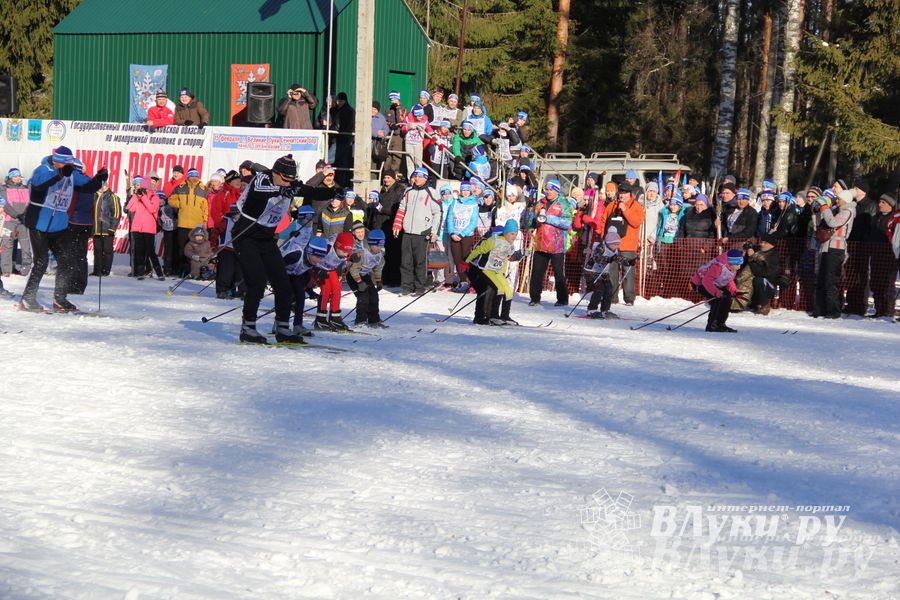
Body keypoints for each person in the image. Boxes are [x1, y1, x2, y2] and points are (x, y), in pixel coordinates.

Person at [232, 154, 336, 344]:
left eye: (290, 181)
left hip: (266, 239)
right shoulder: (262, 179)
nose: (288, 184)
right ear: (276, 173)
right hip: (246, 236)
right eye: (285, 180)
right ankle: (248, 328)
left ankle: (282, 327)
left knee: (283, 283)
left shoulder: (288, 185)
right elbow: (260, 192)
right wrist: (281, 190)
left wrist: (333, 192)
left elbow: (311, 192)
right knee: (257, 282)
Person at [20, 147, 108, 312]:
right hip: (39, 222)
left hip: (59, 225)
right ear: (56, 161)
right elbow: (38, 184)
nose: (70, 167)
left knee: (67, 260)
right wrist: (59, 174)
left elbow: (88, 186)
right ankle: (28, 298)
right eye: (66, 164)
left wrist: (99, 178)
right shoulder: (43, 169)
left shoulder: (72, 174)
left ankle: (60, 299)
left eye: (70, 164)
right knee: (41, 262)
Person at [466, 218, 527, 325]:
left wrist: (521, 253)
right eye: (512, 234)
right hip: (481, 269)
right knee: (491, 290)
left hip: (496, 271)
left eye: (515, 234)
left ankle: (503, 316)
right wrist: (467, 262)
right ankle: (487, 316)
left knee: (505, 291)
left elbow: (509, 256)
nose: (514, 237)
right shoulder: (492, 240)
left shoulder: (508, 243)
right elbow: (478, 250)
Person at [392, 167, 442, 296]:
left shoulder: (432, 192)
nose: (417, 179)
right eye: (415, 176)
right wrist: (397, 225)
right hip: (408, 231)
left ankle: (420, 287)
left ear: (425, 178)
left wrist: (434, 231)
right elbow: (402, 208)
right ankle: (407, 287)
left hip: (423, 232)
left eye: (419, 176)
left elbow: (438, 212)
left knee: (420, 262)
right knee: (405, 261)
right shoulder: (408, 191)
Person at [526, 179, 573, 307]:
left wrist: (549, 219)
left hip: (556, 244)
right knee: (537, 272)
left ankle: (562, 299)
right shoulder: (540, 203)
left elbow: (567, 222)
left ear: (557, 191)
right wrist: (532, 225)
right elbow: (533, 218)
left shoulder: (564, 204)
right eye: (547, 189)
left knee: (559, 273)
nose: (548, 192)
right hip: (541, 243)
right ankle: (534, 298)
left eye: (551, 190)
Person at [598, 182, 645, 305]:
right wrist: (604, 237)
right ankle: (612, 297)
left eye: (624, 193)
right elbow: (604, 220)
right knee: (612, 272)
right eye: (620, 193)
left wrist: (625, 210)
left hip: (628, 246)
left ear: (630, 194)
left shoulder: (636, 206)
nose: (622, 196)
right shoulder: (612, 205)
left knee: (628, 272)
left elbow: (636, 222)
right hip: (612, 245)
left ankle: (629, 299)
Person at [812, 189, 857, 319]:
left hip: (836, 249)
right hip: (826, 247)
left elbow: (833, 222)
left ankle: (834, 311)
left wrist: (825, 207)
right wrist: (819, 209)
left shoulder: (847, 212)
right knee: (821, 279)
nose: (836, 200)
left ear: (845, 200)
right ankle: (819, 309)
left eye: (839, 198)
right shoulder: (837, 209)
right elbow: (824, 221)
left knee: (831, 280)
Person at [280, 235, 328, 335]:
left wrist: (310, 291)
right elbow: (277, 265)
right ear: (309, 252)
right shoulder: (296, 255)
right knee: (286, 297)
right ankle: (279, 325)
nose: (318, 260)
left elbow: (305, 277)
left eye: (321, 257)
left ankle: (298, 325)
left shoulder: (310, 261)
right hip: (281, 273)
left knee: (300, 295)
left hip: (294, 274)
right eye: (317, 257)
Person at [66, 159, 100, 293]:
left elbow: (71, 203)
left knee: (71, 254)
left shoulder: (74, 182)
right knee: (81, 255)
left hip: (73, 221)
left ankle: (72, 284)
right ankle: (80, 285)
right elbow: (94, 206)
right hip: (87, 223)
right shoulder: (90, 182)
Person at [691, 248, 745, 332]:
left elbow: (728, 280)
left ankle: (721, 324)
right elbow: (706, 281)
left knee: (727, 297)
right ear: (731, 262)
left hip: (714, 283)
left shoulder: (732, 269)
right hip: (699, 283)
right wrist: (716, 292)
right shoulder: (718, 266)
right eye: (738, 264)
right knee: (718, 298)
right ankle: (712, 325)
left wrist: (735, 291)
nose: (739, 267)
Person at [167, 168, 209, 276]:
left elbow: (206, 207)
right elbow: (170, 200)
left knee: (196, 249)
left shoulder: (203, 189)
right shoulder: (180, 187)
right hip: (183, 224)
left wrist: (205, 221)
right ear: (188, 176)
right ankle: (183, 270)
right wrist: (179, 204)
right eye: (192, 176)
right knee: (183, 248)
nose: (194, 178)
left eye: (196, 176)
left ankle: (194, 270)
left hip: (197, 225)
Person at [313, 231, 354, 331]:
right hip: (318, 269)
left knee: (337, 289)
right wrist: (317, 271)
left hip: (330, 269)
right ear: (337, 245)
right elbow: (311, 257)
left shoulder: (347, 251)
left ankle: (334, 317)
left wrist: (352, 259)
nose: (345, 254)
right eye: (343, 251)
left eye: (347, 252)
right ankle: (320, 318)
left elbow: (346, 262)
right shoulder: (327, 248)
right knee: (326, 290)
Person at [444, 181, 479, 292]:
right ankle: (462, 281)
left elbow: (473, 222)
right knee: (457, 259)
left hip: (466, 235)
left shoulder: (474, 204)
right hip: (454, 234)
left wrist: (462, 234)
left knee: (466, 259)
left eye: (467, 190)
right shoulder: (454, 202)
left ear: (470, 191)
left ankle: (471, 281)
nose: (464, 192)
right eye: (463, 190)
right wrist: (452, 232)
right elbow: (449, 218)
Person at [347, 227, 386, 327]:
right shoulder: (362, 252)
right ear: (371, 243)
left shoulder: (379, 254)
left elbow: (378, 268)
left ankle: (374, 320)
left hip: (364, 275)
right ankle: (360, 321)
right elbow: (353, 269)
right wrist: (359, 282)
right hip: (353, 276)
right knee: (363, 296)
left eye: (381, 245)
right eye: (377, 245)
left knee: (374, 296)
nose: (379, 248)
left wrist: (378, 281)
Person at [126, 178, 162, 280]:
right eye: (142, 188)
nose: (143, 190)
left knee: (150, 251)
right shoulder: (138, 197)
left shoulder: (155, 197)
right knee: (139, 251)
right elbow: (130, 208)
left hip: (149, 228)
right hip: (137, 227)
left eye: (144, 188)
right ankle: (140, 273)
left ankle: (159, 272)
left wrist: (144, 198)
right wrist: (135, 196)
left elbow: (152, 209)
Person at [870, 193, 898, 318]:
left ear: (890, 205)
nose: (880, 204)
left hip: (890, 256)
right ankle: (878, 309)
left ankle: (888, 310)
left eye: (883, 202)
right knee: (876, 283)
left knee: (888, 284)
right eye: (879, 202)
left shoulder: (895, 219)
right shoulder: (876, 218)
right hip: (876, 255)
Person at [583, 229, 621, 319]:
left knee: (609, 289)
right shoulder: (601, 247)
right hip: (591, 271)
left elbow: (618, 258)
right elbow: (597, 258)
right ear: (609, 243)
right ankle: (591, 310)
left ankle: (605, 310)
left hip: (603, 272)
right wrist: (608, 259)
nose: (616, 246)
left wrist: (629, 261)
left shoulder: (614, 250)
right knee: (599, 289)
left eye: (617, 244)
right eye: (614, 244)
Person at [0, 168, 32, 276]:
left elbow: (29, 203)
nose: (18, 178)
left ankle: (25, 269)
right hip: (10, 221)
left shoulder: (25, 188)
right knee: (7, 245)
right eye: (15, 176)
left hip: (23, 221)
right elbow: (5, 204)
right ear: (10, 177)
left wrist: (25, 215)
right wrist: (16, 215)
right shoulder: (4, 189)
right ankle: (6, 270)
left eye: (19, 176)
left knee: (25, 245)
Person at [376, 170, 405, 286]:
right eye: (385, 177)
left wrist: (383, 210)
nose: (386, 180)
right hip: (383, 225)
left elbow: (398, 209)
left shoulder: (398, 190)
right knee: (386, 254)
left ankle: (395, 279)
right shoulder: (383, 190)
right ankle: (386, 278)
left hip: (393, 225)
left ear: (393, 178)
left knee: (394, 253)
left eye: (388, 177)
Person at [743, 234, 781, 315]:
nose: (761, 244)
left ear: (771, 245)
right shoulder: (758, 251)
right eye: (761, 242)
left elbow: (762, 273)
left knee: (759, 280)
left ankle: (764, 304)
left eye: (764, 242)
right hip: (755, 282)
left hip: (769, 285)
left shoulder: (773, 257)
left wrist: (751, 259)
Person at [91, 185, 121, 277]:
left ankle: (105, 271)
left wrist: (112, 227)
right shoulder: (94, 195)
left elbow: (116, 213)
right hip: (96, 229)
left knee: (107, 250)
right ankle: (97, 270)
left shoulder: (112, 197)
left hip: (107, 229)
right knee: (97, 250)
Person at [215, 205, 244, 300]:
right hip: (226, 249)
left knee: (240, 271)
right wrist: (213, 246)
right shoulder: (225, 221)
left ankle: (240, 290)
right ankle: (222, 290)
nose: (237, 217)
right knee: (226, 271)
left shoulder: (244, 222)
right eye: (236, 215)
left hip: (240, 249)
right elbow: (215, 232)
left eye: (239, 215)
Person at [402, 104, 433, 177]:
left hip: (418, 143)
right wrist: (408, 126)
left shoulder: (424, 120)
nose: (420, 117)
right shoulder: (408, 119)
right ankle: (411, 179)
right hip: (409, 143)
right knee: (409, 162)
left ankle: (419, 177)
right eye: (419, 116)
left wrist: (434, 135)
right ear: (415, 115)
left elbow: (429, 129)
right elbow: (403, 129)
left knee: (418, 162)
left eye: (421, 115)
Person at [332, 92, 355, 186]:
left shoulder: (342, 111)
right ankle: (342, 183)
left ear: (341, 101)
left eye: (338, 100)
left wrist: (333, 132)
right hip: (348, 139)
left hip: (340, 139)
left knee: (329, 159)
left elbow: (338, 126)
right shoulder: (350, 110)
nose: (337, 102)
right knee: (344, 164)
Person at [0, 199, 12, 298]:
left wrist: (10, 235)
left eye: (2, 207)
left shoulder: (5, 217)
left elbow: (7, 230)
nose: (1, 209)